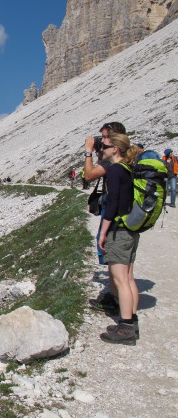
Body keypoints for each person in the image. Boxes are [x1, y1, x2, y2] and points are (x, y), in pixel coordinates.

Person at [97, 133, 140, 345]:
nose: (101, 148)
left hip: (119, 230)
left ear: (115, 148)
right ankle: (132, 321)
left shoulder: (114, 170)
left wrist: (103, 232)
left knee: (120, 279)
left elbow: (112, 204)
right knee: (129, 278)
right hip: (131, 229)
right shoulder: (128, 168)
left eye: (104, 145)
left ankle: (125, 329)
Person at [84, 122, 127, 313]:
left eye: (106, 138)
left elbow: (89, 175)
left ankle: (120, 306)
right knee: (122, 267)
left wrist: (88, 153)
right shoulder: (126, 156)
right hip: (126, 219)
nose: (103, 141)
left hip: (116, 218)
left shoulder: (113, 162)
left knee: (116, 263)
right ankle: (119, 300)